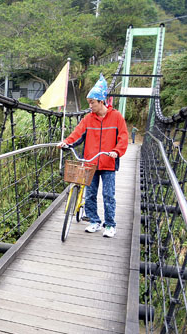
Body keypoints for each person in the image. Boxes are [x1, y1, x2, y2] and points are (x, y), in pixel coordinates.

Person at [58, 74, 129, 238]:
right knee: (90, 194)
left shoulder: (116, 117)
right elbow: (77, 134)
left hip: (108, 163)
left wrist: (117, 152)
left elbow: (123, 138)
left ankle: (110, 225)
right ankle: (94, 221)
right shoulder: (88, 119)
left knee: (108, 195)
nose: (90, 106)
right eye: (89, 102)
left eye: (92, 102)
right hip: (90, 163)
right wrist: (66, 142)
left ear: (101, 101)